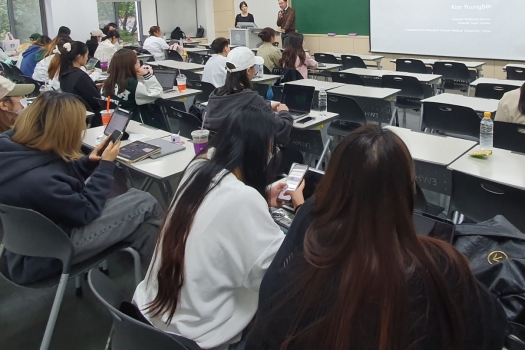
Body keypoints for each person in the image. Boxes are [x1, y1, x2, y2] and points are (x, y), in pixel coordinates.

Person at [246, 125, 507, 350]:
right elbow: (493, 329)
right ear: (409, 192)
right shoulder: (441, 267)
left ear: (332, 186)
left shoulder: (299, 272)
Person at [133, 107, 305, 349]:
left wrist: (262, 197)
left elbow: (216, 207)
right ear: (257, 152)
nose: (272, 155)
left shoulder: (197, 168)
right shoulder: (242, 199)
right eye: (272, 149)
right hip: (195, 337)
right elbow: (276, 274)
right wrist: (301, 211)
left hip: (147, 319)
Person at [0, 92, 164, 285]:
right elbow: (85, 210)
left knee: (144, 230)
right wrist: (106, 166)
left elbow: (56, 179)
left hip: (28, 244)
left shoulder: (13, 149)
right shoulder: (38, 180)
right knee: (143, 202)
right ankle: (180, 262)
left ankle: (163, 283)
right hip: (49, 253)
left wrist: (87, 163)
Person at [205, 46, 292, 145]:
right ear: (248, 71)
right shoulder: (252, 99)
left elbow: (235, 106)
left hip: (218, 153)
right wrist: (284, 113)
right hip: (245, 157)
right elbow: (279, 130)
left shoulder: (215, 95)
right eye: (254, 66)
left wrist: (265, 106)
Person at [102, 49, 162, 115]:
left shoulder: (108, 81)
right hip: (133, 120)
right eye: (136, 59)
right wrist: (147, 75)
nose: (139, 61)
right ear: (131, 64)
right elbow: (157, 93)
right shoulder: (133, 85)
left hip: (115, 118)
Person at [58, 41, 103, 125]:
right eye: (86, 55)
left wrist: (92, 86)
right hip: (91, 117)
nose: (87, 58)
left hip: (76, 115)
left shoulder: (64, 74)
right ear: (79, 57)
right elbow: (96, 100)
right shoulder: (81, 76)